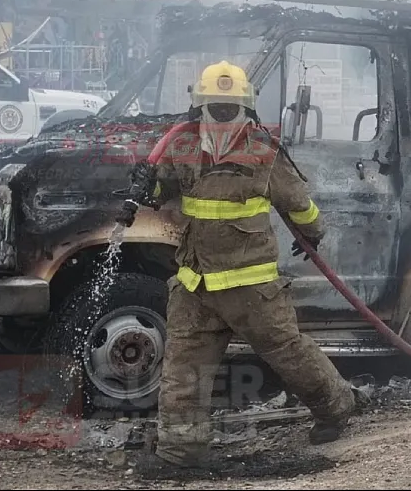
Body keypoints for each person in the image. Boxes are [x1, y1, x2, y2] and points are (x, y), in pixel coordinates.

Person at [139, 61, 361, 471]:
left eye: (231, 108)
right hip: (196, 284)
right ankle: (180, 452)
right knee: (184, 367)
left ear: (246, 109)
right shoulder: (182, 147)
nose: (223, 116)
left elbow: (299, 203)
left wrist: (311, 233)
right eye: (216, 107)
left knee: (288, 354)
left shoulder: (265, 151)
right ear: (199, 106)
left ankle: (337, 406)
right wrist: (145, 183)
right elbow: (161, 189)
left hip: (252, 288)